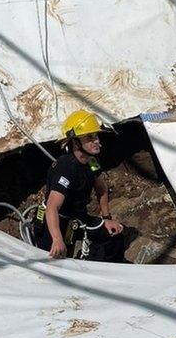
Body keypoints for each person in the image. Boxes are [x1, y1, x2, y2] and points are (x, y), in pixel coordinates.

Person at [34, 109, 126, 262]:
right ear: (75, 142)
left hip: (77, 219)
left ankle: (106, 272)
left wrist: (106, 218)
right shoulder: (66, 167)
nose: (96, 141)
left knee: (114, 236)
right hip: (55, 223)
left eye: (96, 136)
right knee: (56, 261)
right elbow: (52, 207)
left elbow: (101, 189)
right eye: (89, 137)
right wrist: (57, 239)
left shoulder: (92, 163)